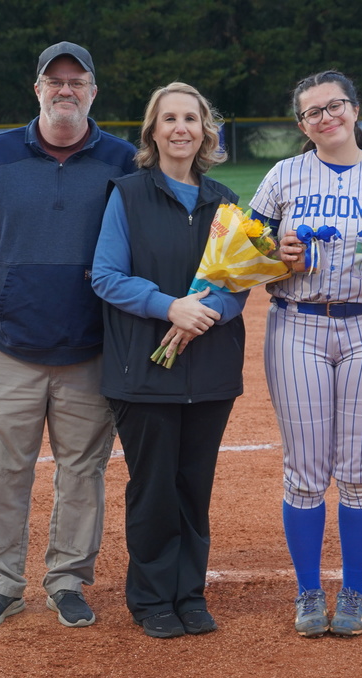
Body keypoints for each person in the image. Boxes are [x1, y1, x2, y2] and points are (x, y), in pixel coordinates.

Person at [0, 41, 137, 630]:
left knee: (83, 471)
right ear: (37, 90)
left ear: (93, 91)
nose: (65, 90)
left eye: (76, 81)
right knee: (4, 468)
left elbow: (139, 247)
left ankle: (68, 580)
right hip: (9, 348)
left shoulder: (123, 159)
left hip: (89, 349)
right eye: (54, 81)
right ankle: (1, 582)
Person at [248, 70, 362, 637]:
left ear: (355, 109)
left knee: (358, 470)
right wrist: (280, 253)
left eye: (335, 106)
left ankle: (352, 591)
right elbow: (247, 251)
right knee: (304, 472)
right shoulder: (283, 175)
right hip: (297, 326)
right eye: (312, 112)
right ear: (301, 125)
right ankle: (307, 592)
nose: (326, 118)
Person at [91, 82, 247, 639]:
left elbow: (239, 281)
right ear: (153, 131)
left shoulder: (225, 202)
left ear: (206, 130)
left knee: (193, 486)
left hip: (209, 371)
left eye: (192, 118)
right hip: (143, 368)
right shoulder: (127, 194)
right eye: (169, 118)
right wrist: (170, 308)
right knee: (153, 487)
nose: (181, 127)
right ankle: (152, 598)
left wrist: (210, 314)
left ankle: (190, 593)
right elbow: (106, 276)